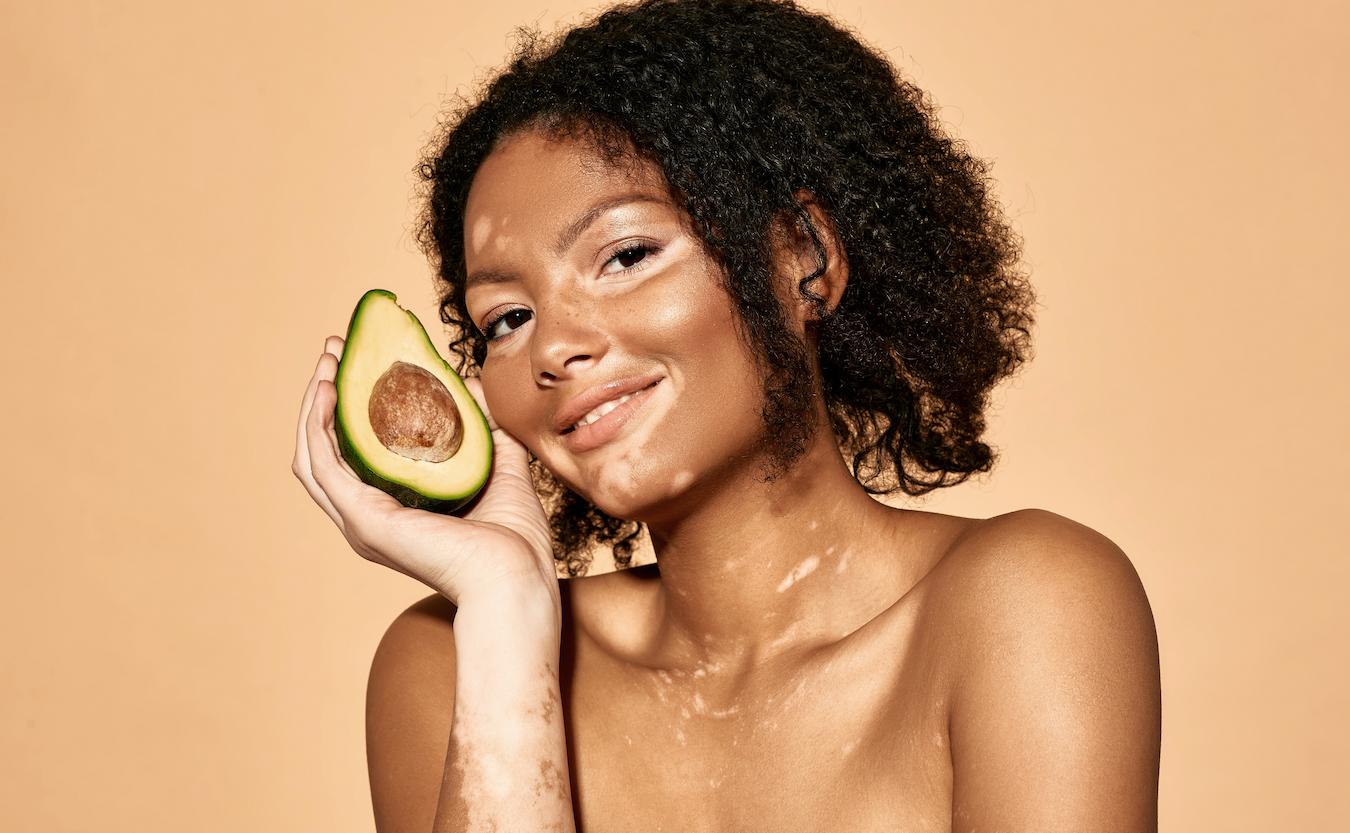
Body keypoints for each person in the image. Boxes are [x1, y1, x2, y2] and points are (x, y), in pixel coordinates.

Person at [291, 0, 1162, 830]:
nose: (552, 347)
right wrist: (505, 623)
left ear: (804, 261)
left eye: (625, 255)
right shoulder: (448, 662)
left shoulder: (1026, 605)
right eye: (507, 320)